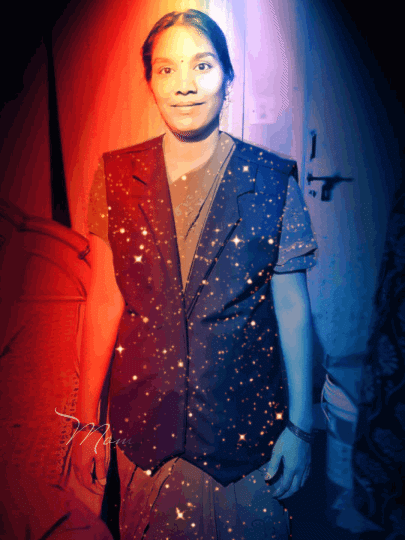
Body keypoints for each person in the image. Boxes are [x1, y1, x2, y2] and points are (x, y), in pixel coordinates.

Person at [71, 9, 318, 539]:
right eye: (166, 69)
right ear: (150, 82)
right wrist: (86, 424)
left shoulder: (273, 181)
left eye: (202, 66)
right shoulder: (116, 178)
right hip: (146, 439)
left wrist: (302, 427)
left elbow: (294, 311)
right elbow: (103, 302)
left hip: (248, 444)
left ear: (228, 77)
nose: (184, 85)